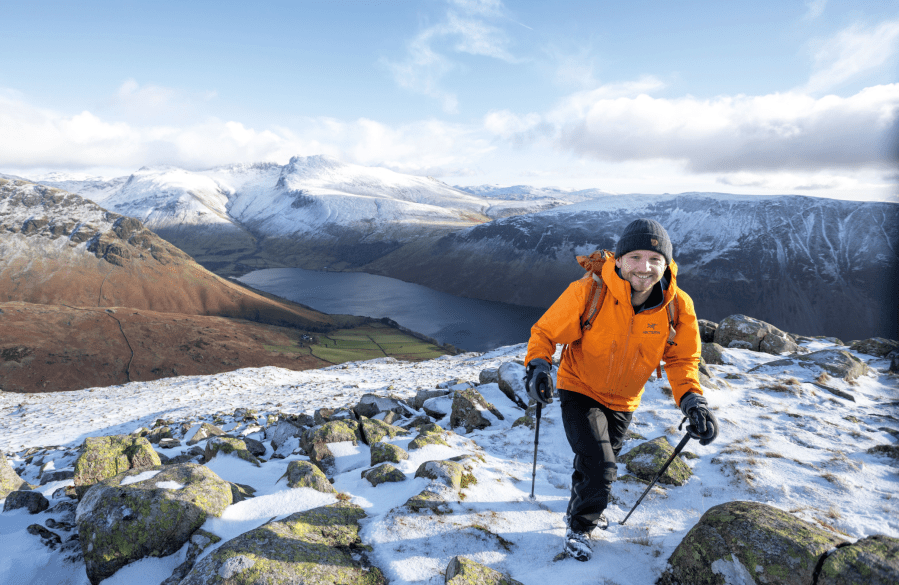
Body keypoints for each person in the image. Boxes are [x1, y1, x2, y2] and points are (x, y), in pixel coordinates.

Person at [523, 218, 718, 561]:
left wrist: (692, 400)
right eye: (635, 258)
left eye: (655, 260)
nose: (645, 268)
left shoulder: (676, 305)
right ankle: (580, 527)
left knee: (595, 461)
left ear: (667, 264)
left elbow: (682, 359)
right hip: (579, 387)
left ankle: (581, 500)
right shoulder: (590, 291)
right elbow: (546, 333)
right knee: (601, 466)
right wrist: (538, 365)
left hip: (625, 400)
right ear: (619, 260)